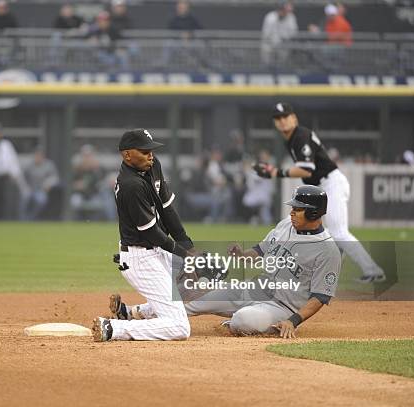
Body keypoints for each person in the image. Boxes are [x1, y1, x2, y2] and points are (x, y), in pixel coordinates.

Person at [111, 185, 342, 339]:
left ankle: (262, 323)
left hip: (283, 307)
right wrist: (242, 255)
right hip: (256, 289)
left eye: (298, 209)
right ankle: (132, 312)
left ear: (313, 214)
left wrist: (293, 320)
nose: (292, 212)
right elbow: (261, 250)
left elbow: (320, 297)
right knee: (194, 295)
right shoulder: (285, 225)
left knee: (242, 320)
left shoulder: (327, 250)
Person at [253, 102, 385, 283]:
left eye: (285, 117)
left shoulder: (300, 136)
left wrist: (276, 172)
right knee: (327, 235)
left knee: (338, 233)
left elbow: (306, 170)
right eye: (278, 118)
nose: (282, 121)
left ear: (294, 118)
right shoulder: (293, 139)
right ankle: (329, 275)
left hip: (331, 184)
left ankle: (373, 270)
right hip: (323, 187)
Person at [92, 129, 201, 342]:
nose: (150, 155)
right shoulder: (130, 186)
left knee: (209, 273)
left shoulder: (152, 165)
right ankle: (113, 328)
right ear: (127, 155)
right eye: (144, 151)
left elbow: (168, 210)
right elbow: (152, 233)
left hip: (158, 250)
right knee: (179, 327)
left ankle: (131, 312)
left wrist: (188, 248)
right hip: (141, 258)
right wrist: (185, 256)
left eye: (151, 150)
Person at [21, 148, 60, 220]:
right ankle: (23, 219)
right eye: (36, 155)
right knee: (24, 198)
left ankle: (31, 218)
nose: (38, 157)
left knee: (41, 200)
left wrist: (48, 184)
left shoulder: (49, 165)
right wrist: (25, 187)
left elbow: (55, 177)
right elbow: (22, 178)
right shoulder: (29, 165)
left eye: (40, 156)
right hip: (29, 189)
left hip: (41, 190)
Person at [260, 1, 298, 67]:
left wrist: (284, 38)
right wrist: (273, 41)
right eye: (283, 10)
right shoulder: (270, 17)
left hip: (283, 44)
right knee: (267, 60)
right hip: (269, 44)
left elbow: (294, 32)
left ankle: (281, 69)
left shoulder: (291, 17)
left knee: (282, 63)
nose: (284, 12)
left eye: (286, 11)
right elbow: (266, 34)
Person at [243, 150, 275, 225]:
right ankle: (258, 220)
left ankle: (265, 222)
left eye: (265, 156)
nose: (263, 157)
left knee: (265, 210)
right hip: (259, 191)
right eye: (262, 156)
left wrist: (248, 171)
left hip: (266, 191)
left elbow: (259, 178)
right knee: (260, 208)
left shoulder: (270, 165)